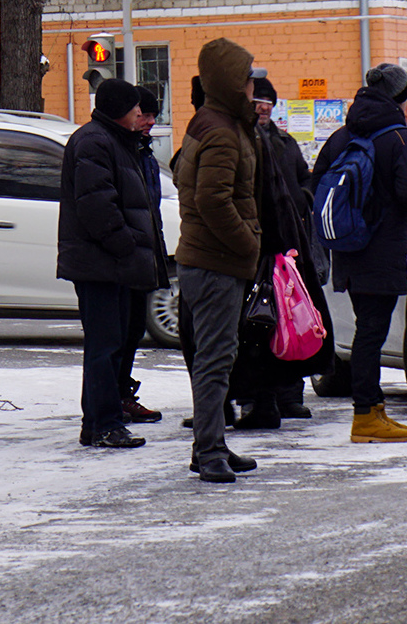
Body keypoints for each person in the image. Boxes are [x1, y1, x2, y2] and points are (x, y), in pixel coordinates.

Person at [312, 63, 407, 445]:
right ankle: (366, 415)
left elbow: (315, 184)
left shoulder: (344, 134)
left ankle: (374, 407)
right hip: (382, 249)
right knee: (371, 334)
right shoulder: (398, 138)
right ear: (401, 96)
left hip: (348, 247)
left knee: (368, 329)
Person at [173, 38, 264, 483]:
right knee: (214, 359)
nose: (253, 86)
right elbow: (212, 199)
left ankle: (213, 445)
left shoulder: (212, 122)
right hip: (215, 264)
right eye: (248, 78)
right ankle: (208, 449)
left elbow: (182, 176)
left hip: (208, 260)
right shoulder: (222, 131)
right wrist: (248, 243)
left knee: (217, 358)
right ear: (232, 83)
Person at [59, 78, 167, 450]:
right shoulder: (94, 141)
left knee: (115, 343)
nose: (142, 115)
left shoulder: (118, 142)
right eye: (136, 108)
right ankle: (102, 423)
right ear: (120, 109)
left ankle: (103, 421)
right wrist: (127, 244)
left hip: (115, 263)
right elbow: (96, 205)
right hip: (100, 264)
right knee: (104, 347)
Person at [231, 73, 328, 428]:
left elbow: (306, 179)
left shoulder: (285, 144)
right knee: (261, 320)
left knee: (295, 315)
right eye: (258, 103)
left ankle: (290, 394)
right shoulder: (244, 142)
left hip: (291, 243)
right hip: (258, 242)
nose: (262, 109)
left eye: (268, 104)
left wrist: (301, 201)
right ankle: (256, 399)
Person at [114, 86, 166, 427]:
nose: (148, 122)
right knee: (118, 335)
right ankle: (114, 400)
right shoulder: (121, 150)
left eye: (151, 116)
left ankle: (121, 395)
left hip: (143, 252)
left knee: (132, 331)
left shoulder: (143, 153)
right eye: (143, 115)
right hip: (125, 258)